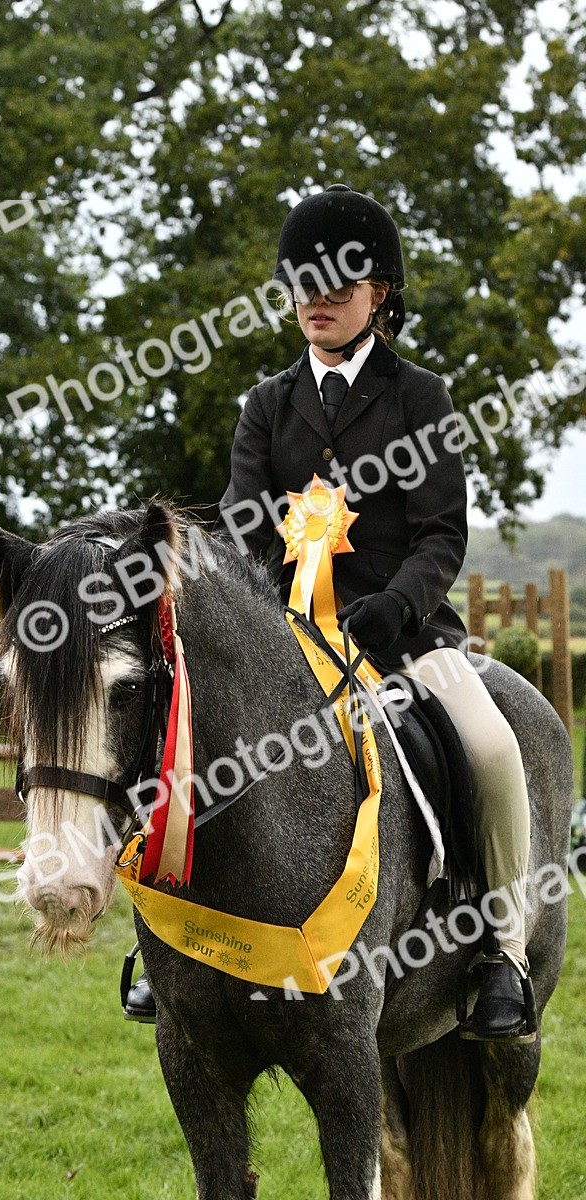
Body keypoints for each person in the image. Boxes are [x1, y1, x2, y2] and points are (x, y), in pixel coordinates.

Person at [123, 184, 534, 1042]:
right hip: (289, 638)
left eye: (337, 288)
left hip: (403, 635)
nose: (316, 302)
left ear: (379, 295)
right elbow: (240, 533)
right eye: (303, 287)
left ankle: (501, 949)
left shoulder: (422, 397)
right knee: (181, 734)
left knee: (492, 747)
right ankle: (166, 946)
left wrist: (395, 605)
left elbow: (441, 533)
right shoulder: (267, 405)